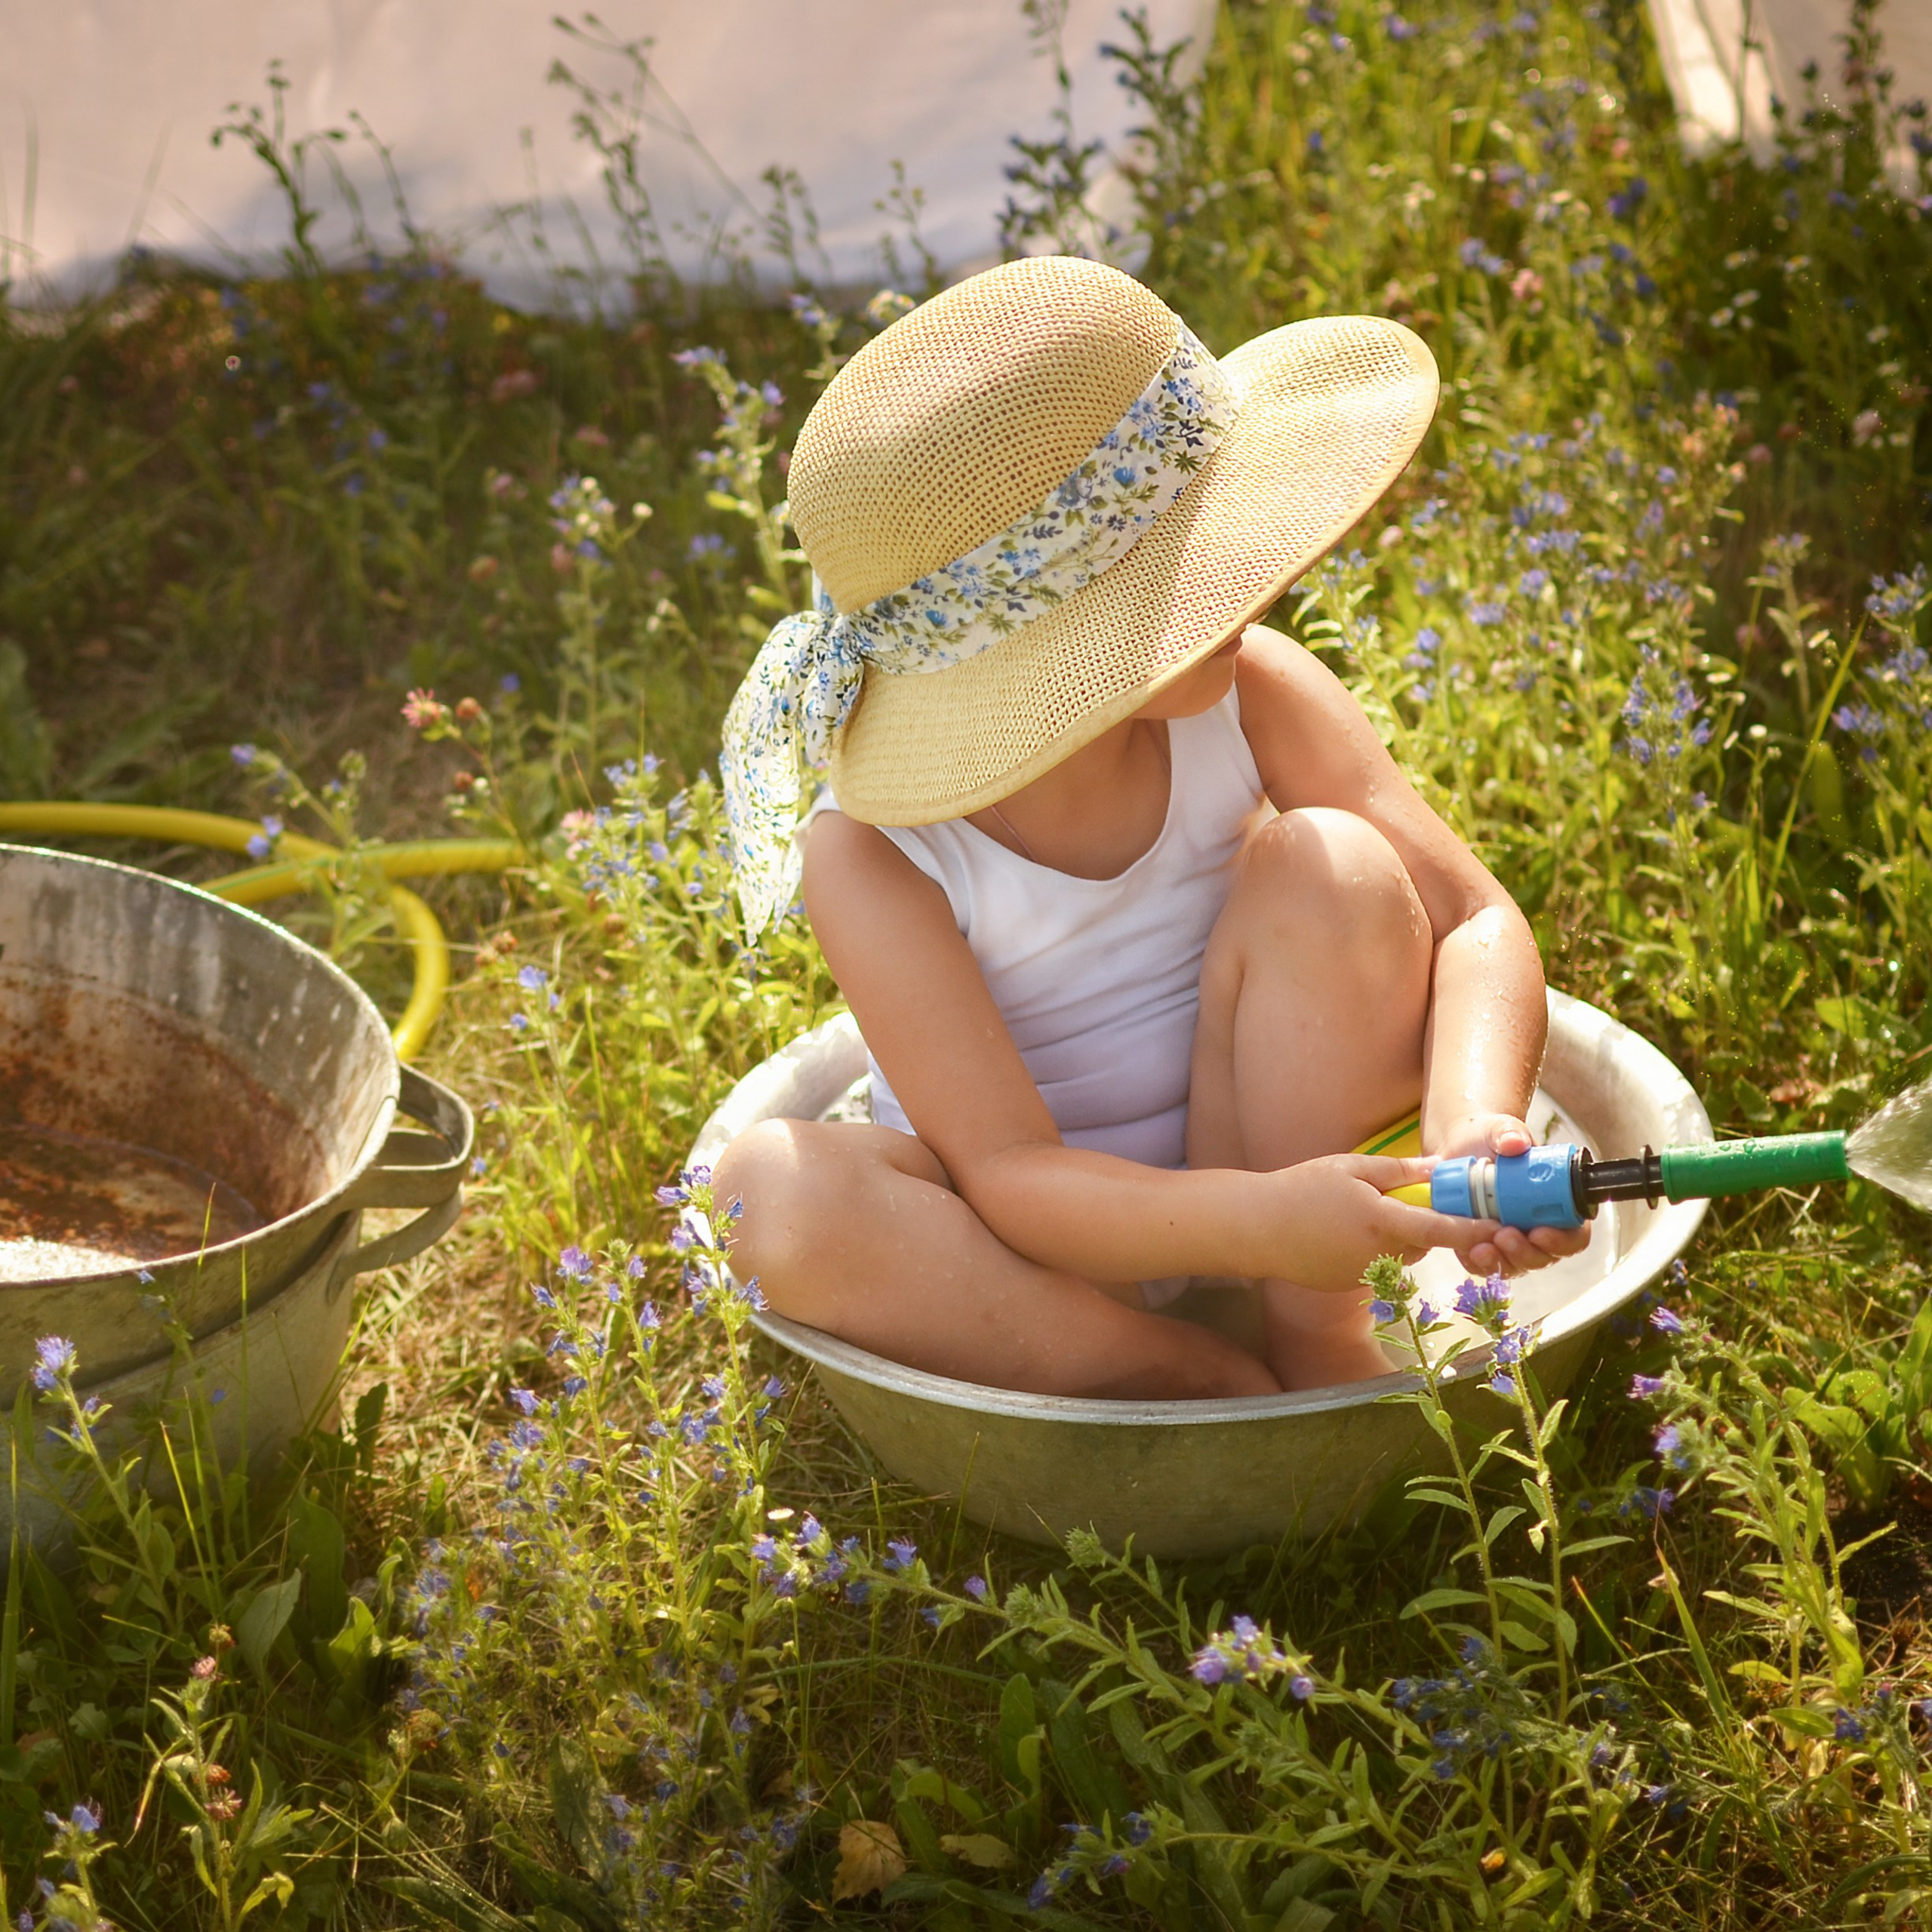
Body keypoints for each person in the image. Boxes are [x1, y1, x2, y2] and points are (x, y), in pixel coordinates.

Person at [711, 255, 1586, 1402]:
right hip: (1051, 1253)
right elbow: (1012, 1172)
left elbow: (1472, 918)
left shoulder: (1253, 690)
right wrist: (1260, 1222)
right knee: (765, 1195)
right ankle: (1164, 1370)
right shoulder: (876, 851)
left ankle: (1315, 1336)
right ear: (1035, 654)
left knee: (1337, 866)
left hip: (1283, 1165)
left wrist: (1473, 1120)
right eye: (1189, 574)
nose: (1251, 589)